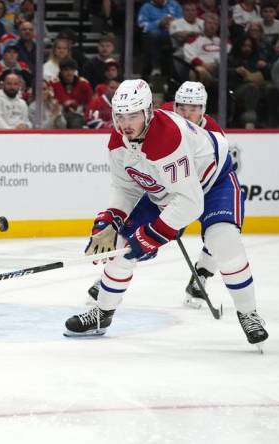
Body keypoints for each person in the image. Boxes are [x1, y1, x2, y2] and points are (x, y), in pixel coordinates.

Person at [65, 79, 268, 350]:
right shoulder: (118, 141)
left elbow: (190, 203)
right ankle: (102, 314)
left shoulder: (167, 137)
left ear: (148, 112)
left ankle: (248, 313)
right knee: (122, 247)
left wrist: (151, 236)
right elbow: (125, 188)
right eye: (120, 115)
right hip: (166, 190)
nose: (125, 123)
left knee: (224, 242)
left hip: (212, 185)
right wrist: (110, 222)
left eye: (133, 115)